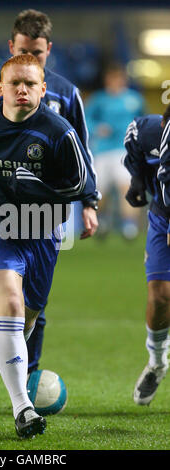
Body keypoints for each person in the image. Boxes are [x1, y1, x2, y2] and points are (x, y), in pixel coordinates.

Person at [0, 8, 98, 410]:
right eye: (23, 53)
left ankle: (23, 371)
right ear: (11, 48)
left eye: (38, 58)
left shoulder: (65, 96)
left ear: (48, 56)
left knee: (32, 305)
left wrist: (88, 203)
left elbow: (82, 151)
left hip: (45, 217)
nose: (24, 84)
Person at [123, 105, 170, 405]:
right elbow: (133, 135)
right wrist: (137, 177)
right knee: (160, 295)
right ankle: (157, 361)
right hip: (162, 216)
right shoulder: (148, 131)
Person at [85, 62, 145, 240]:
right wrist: (97, 128)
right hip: (102, 150)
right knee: (100, 190)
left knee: (127, 186)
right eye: (113, 78)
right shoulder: (99, 99)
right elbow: (86, 119)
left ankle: (129, 225)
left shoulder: (134, 99)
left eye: (119, 78)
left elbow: (143, 121)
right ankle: (101, 220)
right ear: (107, 80)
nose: (116, 81)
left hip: (124, 150)